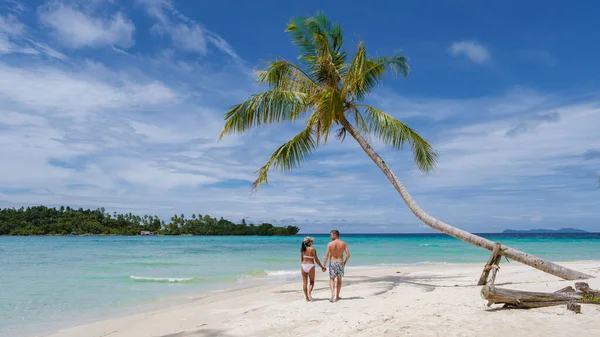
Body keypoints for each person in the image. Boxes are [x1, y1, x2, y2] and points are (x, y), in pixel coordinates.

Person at [323, 229, 350, 302]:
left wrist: (324, 265)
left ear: (335, 235)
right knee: (339, 280)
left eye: (331, 235)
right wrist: (344, 263)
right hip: (340, 262)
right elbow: (348, 255)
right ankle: (337, 295)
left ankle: (332, 294)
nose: (330, 236)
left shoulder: (330, 244)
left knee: (331, 279)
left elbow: (326, 255)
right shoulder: (343, 243)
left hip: (333, 263)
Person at [300, 236, 326, 302]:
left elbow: (301, 259)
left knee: (304, 283)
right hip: (310, 265)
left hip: (303, 265)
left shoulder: (302, 249)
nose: (312, 243)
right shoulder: (313, 249)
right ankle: (309, 292)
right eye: (312, 241)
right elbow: (316, 259)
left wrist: (303, 265)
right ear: (308, 242)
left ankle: (306, 298)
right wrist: (322, 267)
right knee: (312, 282)